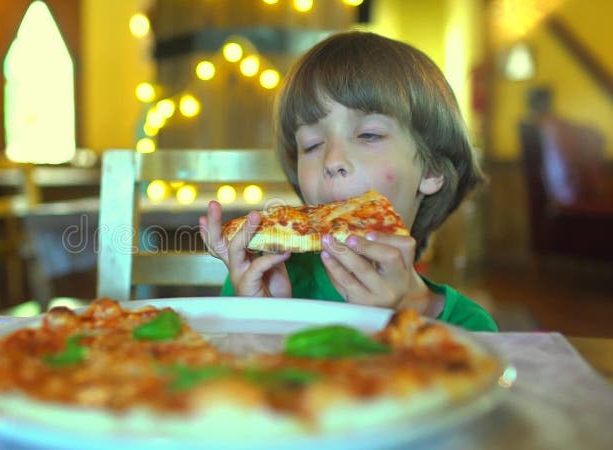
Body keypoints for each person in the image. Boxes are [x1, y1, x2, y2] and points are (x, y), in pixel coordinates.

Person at [199, 31, 497, 332]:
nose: (332, 161)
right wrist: (265, 323)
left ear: (432, 170)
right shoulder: (258, 279)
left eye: (369, 135)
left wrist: (385, 328)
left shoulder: (468, 327)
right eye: (312, 144)